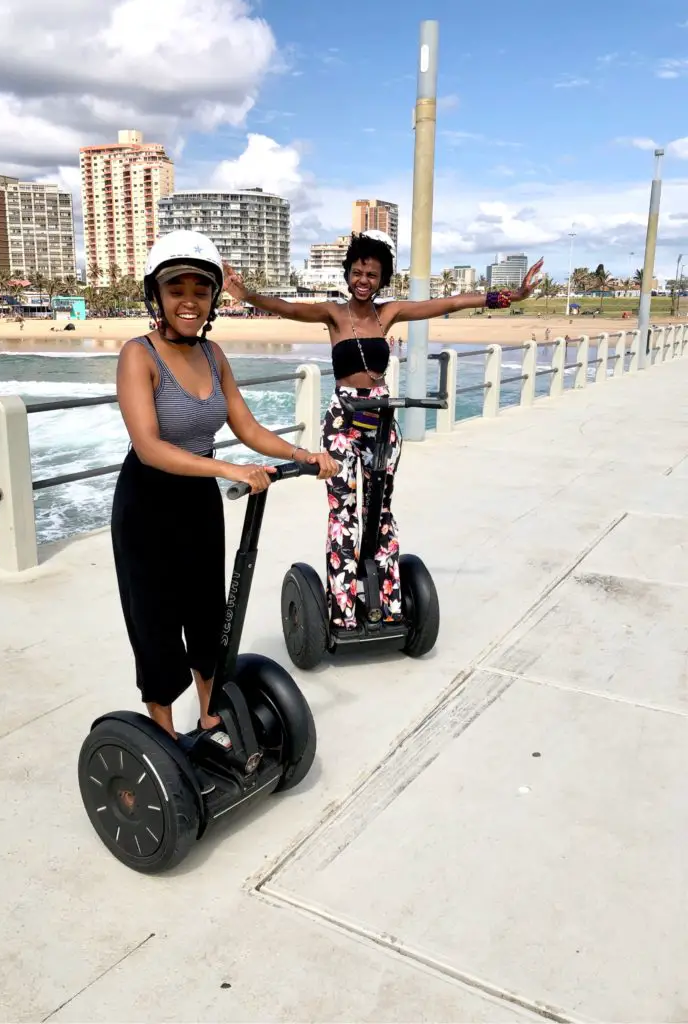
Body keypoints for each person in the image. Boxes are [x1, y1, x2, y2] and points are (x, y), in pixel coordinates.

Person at [224, 233, 543, 631]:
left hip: (381, 419)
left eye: (371, 274)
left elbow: (448, 303)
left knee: (381, 510)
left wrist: (508, 297)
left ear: (381, 279)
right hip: (343, 418)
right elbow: (285, 307)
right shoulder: (332, 314)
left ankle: (387, 602)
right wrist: (244, 294)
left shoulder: (387, 314)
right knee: (344, 513)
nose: (363, 279)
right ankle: (341, 610)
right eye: (357, 271)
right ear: (348, 274)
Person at [113, 229, 337, 747]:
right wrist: (228, 470)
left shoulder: (214, 356)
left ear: (213, 298)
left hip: (196, 502)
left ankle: (211, 718)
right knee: (156, 621)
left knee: (208, 612)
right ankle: (164, 740)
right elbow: (147, 446)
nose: (188, 300)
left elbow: (248, 427)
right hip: (147, 504)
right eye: (176, 290)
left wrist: (304, 455)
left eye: (200, 290)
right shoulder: (138, 355)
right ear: (158, 297)